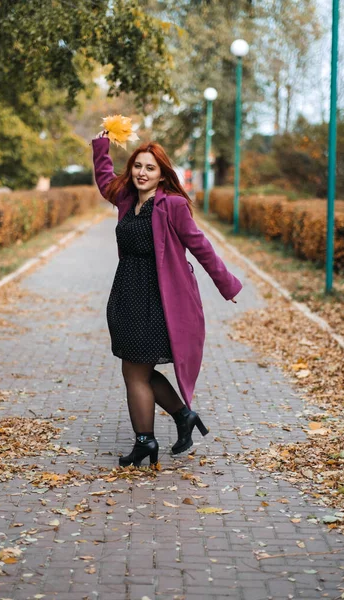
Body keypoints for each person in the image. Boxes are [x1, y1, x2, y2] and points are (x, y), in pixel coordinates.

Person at [92, 131, 242, 467]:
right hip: (126, 295)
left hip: (157, 299)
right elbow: (105, 181)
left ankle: (146, 440)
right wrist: (100, 147)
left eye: (150, 168)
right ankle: (183, 416)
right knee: (138, 369)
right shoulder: (127, 199)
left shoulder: (171, 205)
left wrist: (227, 284)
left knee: (134, 371)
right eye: (137, 166)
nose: (142, 173)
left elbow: (200, 246)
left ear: (162, 174)